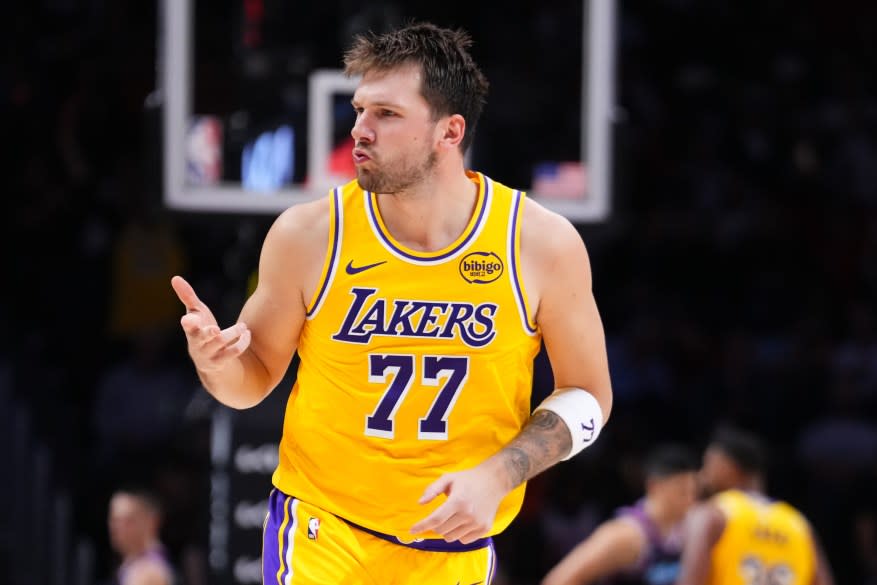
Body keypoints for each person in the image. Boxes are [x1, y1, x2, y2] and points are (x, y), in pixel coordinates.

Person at [171, 21, 612, 584]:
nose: (359, 130)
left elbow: (589, 396)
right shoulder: (309, 234)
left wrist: (501, 474)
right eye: (359, 110)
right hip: (324, 529)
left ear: (449, 132)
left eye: (387, 114)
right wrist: (215, 364)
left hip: (453, 546)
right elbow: (251, 380)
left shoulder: (539, 244)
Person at [675, 426, 836, 585]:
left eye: (708, 464)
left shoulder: (711, 515)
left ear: (726, 465)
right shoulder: (799, 524)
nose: (702, 475)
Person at [541, 444, 698, 585]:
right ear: (654, 486)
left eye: (693, 492)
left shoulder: (680, 532)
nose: (690, 500)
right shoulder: (626, 534)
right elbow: (558, 579)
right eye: (682, 492)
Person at [107, 487, 175, 585]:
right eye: (114, 520)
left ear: (153, 522)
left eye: (128, 521)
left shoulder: (148, 574)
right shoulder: (134, 566)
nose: (116, 528)